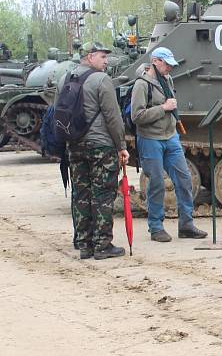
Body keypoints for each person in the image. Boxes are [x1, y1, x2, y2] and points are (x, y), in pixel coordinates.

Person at [56, 41, 129, 260]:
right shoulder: (101, 80)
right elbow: (112, 117)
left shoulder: (64, 78)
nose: (106, 61)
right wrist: (121, 146)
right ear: (89, 57)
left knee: (81, 193)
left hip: (75, 144)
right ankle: (102, 245)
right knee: (103, 194)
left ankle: (84, 244)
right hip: (101, 146)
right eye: (102, 57)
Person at [131, 47, 207, 241]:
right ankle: (156, 227)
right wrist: (163, 108)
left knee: (184, 179)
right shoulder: (141, 85)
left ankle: (186, 225)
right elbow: (137, 116)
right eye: (167, 64)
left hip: (170, 137)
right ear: (155, 61)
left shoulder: (167, 79)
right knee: (156, 183)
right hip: (150, 139)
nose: (170, 68)